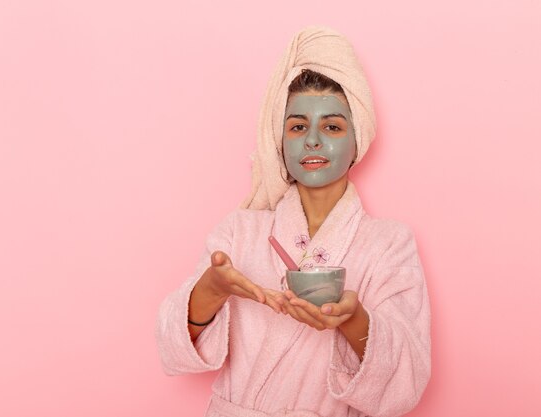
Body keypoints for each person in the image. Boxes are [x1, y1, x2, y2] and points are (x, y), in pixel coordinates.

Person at [155, 26, 431, 417]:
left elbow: (407, 382)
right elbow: (172, 351)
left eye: (332, 127)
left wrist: (353, 320)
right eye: (298, 126)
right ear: (280, 140)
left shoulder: (389, 243)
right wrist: (210, 290)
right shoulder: (239, 231)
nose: (313, 141)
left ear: (358, 139)